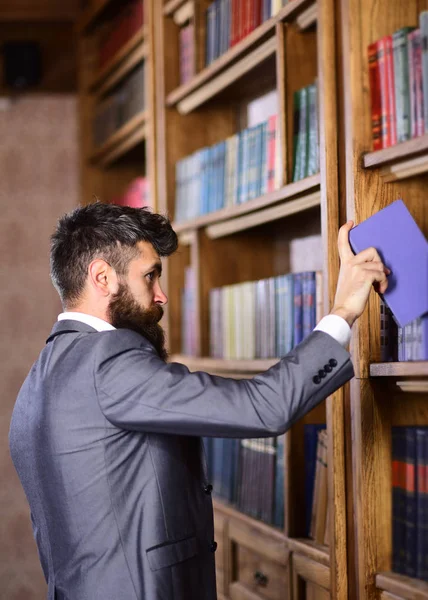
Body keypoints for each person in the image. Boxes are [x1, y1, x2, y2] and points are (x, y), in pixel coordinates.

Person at [9, 203, 389, 600]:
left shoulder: (38, 380)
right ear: (102, 277)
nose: (162, 295)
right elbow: (265, 407)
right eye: (150, 275)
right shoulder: (105, 361)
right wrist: (343, 310)